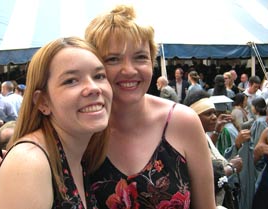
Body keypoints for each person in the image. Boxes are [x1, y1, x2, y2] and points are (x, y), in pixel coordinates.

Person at [85, 5, 215, 209]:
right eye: (113, 59)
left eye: (140, 57)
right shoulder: (83, 130)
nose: (128, 70)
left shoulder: (183, 122)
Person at [0, 37, 113, 209]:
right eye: (71, 80)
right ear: (43, 102)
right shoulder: (29, 163)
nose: (94, 87)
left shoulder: (80, 155)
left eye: (99, 76)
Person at [184, 89, 243, 209]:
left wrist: (216, 131)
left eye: (214, 113)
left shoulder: (202, 134)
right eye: (208, 114)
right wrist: (231, 167)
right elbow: (201, 178)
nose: (214, 117)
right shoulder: (188, 141)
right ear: (194, 117)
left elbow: (208, 150)